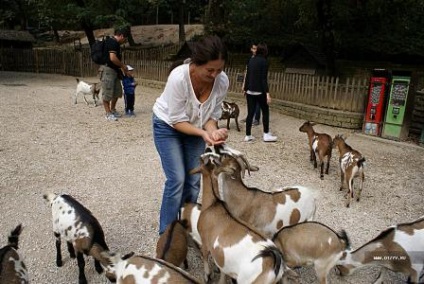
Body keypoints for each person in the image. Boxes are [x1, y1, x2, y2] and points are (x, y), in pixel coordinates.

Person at [152, 35, 229, 235]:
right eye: (210, 70)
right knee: (177, 179)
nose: (215, 75)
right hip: (167, 126)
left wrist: (213, 131)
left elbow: (211, 115)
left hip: (195, 128)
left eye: (219, 70)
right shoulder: (178, 78)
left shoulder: (222, 81)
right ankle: (167, 234)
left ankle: (186, 226)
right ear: (195, 64)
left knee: (194, 180)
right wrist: (203, 133)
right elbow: (177, 120)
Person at [243, 43, 277, 142]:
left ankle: (248, 135)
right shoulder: (264, 62)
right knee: (265, 111)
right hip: (259, 92)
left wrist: (245, 89)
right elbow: (263, 79)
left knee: (250, 113)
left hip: (249, 91)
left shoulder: (251, 60)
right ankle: (266, 134)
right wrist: (267, 93)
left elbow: (248, 76)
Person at [100, 26, 131, 121]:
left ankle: (112, 109)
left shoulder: (115, 43)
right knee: (107, 92)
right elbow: (112, 58)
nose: (125, 41)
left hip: (115, 70)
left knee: (117, 92)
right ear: (121, 36)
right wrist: (123, 66)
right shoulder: (112, 42)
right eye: (125, 39)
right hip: (108, 70)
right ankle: (108, 113)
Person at [241, 43, 261, 126]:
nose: (254, 50)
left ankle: (256, 118)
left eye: (256, 49)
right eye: (253, 48)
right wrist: (244, 84)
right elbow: (246, 72)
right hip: (249, 83)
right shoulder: (249, 59)